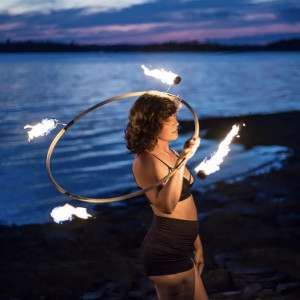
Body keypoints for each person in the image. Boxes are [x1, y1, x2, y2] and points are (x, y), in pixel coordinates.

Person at [125, 91, 209, 300]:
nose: (176, 123)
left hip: (183, 247)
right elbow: (166, 206)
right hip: (166, 253)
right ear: (150, 123)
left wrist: (197, 245)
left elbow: (187, 202)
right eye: (168, 119)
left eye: (175, 117)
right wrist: (183, 159)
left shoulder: (169, 152)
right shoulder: (146, 160)